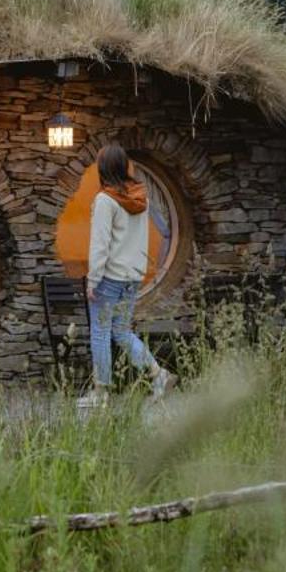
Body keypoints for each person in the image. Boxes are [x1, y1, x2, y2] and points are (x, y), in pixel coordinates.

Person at [80, 144, 175, 408]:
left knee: (100, 332)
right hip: (133, 277)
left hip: (109, 277)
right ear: (123, 167)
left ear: (103, 168)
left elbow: (100, 245)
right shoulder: (141, 197)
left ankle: (101, 393)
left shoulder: (104, 200)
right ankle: (159, 374)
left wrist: (93, 280)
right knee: (121, 331)